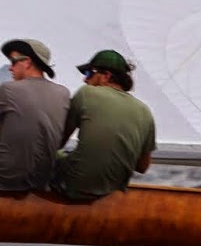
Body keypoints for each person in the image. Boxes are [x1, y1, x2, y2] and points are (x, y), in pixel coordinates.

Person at [52, 49, 157, 202]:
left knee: (46, 153)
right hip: (112, 191)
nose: (85, 80)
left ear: (106, 76)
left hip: (74, 185)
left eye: (89, 73)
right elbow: (142, 166)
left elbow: (57, 142)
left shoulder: (86, 92)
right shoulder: (145, 110)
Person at [0, 37, 70, 191]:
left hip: (2, 178)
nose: (10, 68)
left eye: (13, 61)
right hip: (40, 179)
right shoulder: (63, 93)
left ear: (27, 62)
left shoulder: (7, 89)